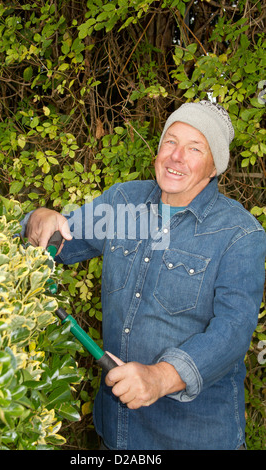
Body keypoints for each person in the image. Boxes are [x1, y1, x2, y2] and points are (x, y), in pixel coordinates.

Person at [21, 101, 266, 450]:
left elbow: (233, 332)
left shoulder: (239, 235)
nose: (176, 156)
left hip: (195, 438)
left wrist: (160, 377)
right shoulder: (124, 204)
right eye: (170, 141)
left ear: (214, 167)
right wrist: (39, 219)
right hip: (116, 435)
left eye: (194, 148)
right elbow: (57, 241)